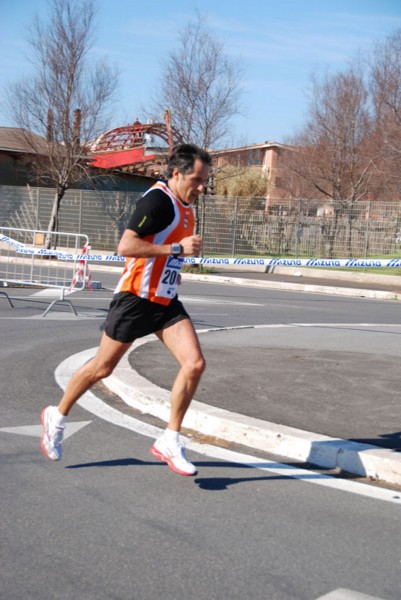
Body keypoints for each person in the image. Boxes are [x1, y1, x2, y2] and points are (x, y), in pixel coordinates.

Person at [41, 143, 212, 476]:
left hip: (164, 300)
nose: (202, 187)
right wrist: (177, 247)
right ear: (176, 173)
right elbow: (126, 245)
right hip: (135, 298)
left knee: (194, 364)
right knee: (102, 368)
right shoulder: (157, 200)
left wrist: (178, 255)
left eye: (205, 179)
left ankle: (170, 439)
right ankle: (56, 416)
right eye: (197, 179)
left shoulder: (187, 203)